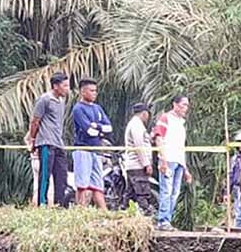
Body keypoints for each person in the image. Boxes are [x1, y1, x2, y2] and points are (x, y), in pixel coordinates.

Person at [25, 72, 71, 208]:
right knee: (45, 175)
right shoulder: (44, 99)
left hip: (58, 143)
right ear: (55, 86)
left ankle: (59, 204)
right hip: (46, 142)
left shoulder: (61, 101)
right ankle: (42, 204)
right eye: (65, 86)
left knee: (62, 176)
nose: (67, 89)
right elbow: (35, 121)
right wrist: (32, 139)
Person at [71, 78, 114, 209]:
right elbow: (89, 131)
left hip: (96, 151)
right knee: (82, 185)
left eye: (96, 91)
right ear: (83, 92)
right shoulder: (78, 109)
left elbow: (109, 128)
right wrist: (100, 129)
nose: (95, 93)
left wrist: (97, 127)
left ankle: (104, 212)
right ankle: (81, 212)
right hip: (83, 150)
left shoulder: (98, 108)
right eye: (91, 90)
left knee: (97, 185)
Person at [153, 94, 192, 231]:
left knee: (175, 193)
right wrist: (162, 159)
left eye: (187, 105)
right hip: (168, 160)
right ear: (175, 104)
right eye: (183, 104)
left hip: (179, 161)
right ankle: (163, 221)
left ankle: (167, 220)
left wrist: (186, 169)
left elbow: (181, 146)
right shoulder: (165, 118)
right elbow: (159, 138)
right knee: (166, 191)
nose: (185, 108)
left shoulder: (181, 122)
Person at [123, 102, 155, 213]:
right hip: (137, 165)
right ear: (144, 113)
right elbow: (139, 146)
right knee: (142, 193)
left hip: (133, 165)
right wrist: (146, 164)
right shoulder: (136, 125)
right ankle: (147, 214)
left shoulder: (136, 124)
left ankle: (125, 216)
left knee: (130, 195)